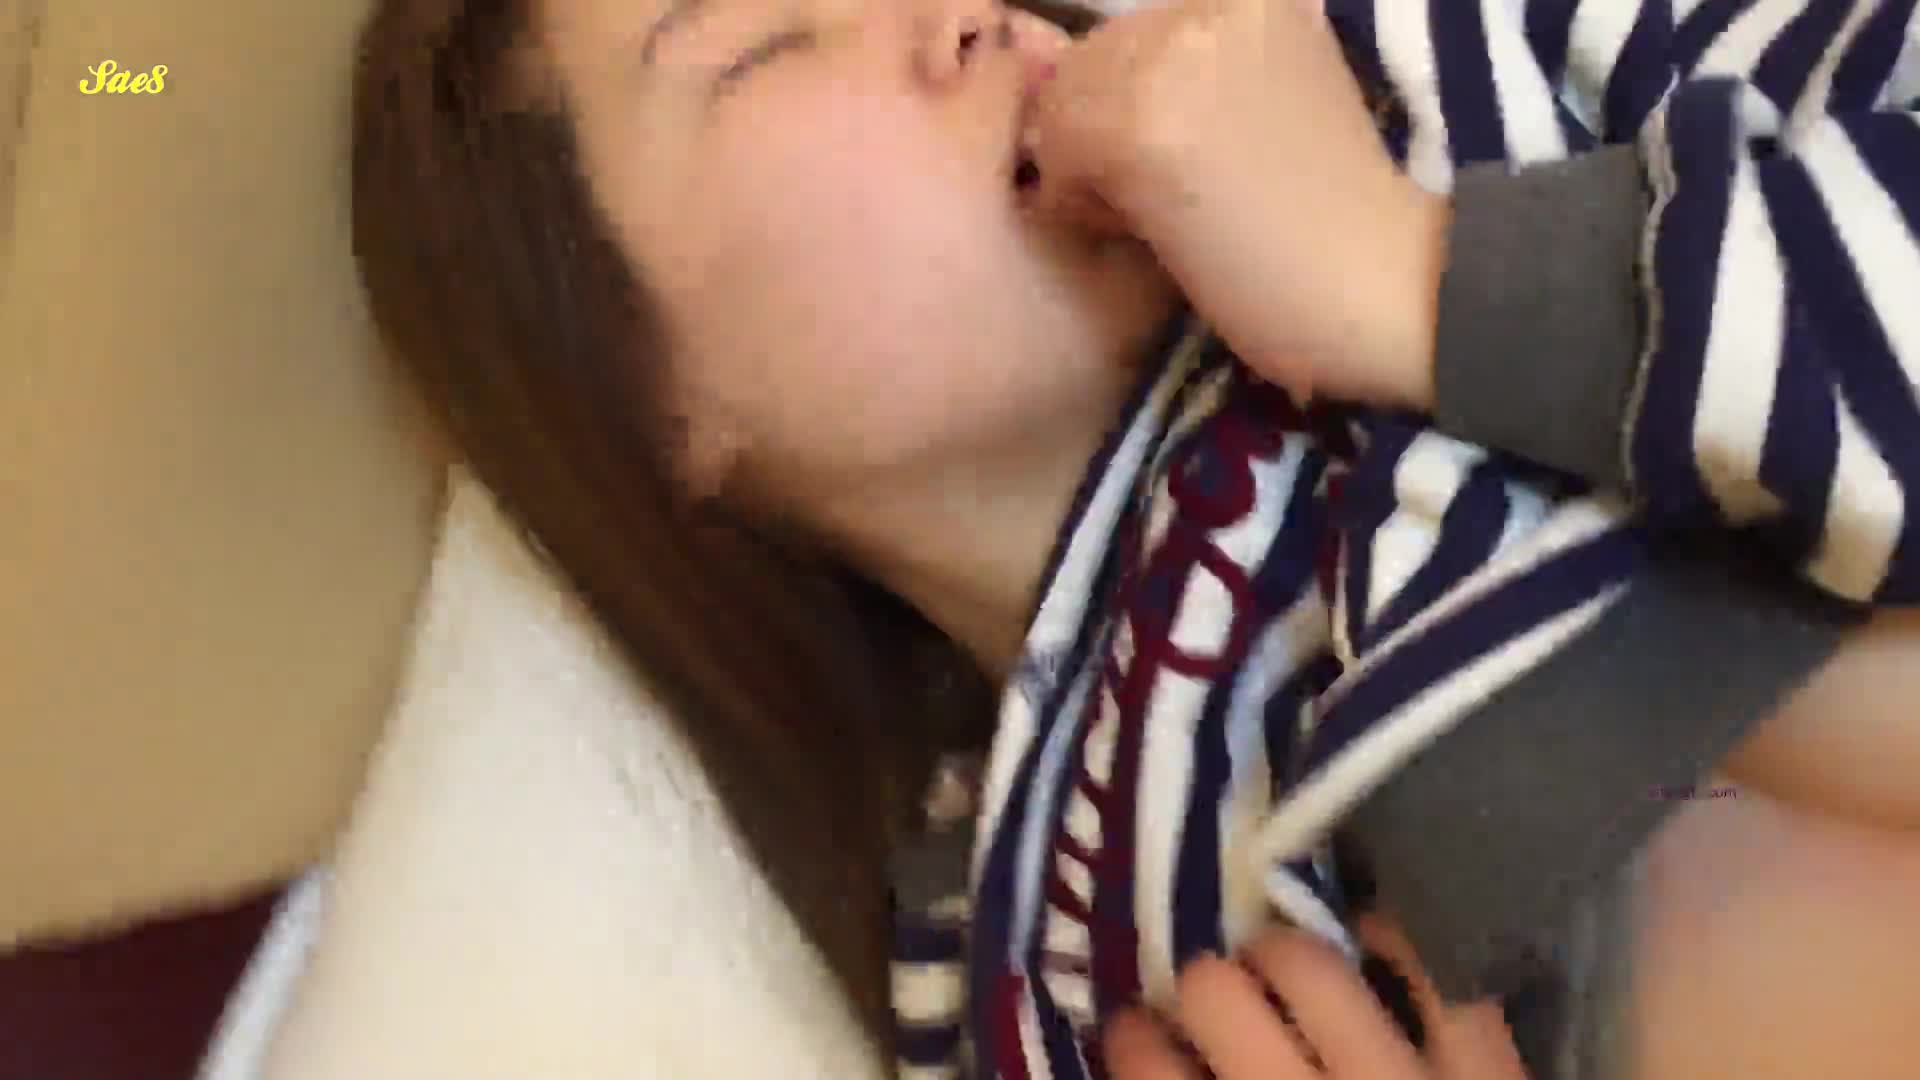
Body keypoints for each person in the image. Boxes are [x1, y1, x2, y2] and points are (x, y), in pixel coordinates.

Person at [347, 0, 1920, 1076]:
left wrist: (1409, 274)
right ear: (648, 404)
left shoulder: (1418, 90)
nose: (956, 16)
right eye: (760, 46)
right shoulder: (1022, 970)